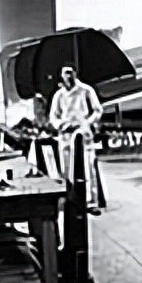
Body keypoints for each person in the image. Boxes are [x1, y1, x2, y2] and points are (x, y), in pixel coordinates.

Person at [49, 65, 103, 213]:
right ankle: (71, 200)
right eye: (65, 73)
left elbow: (97, 110)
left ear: (75, 73)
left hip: (82, 133)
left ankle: (91, 202)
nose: (68, 76)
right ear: (61, 75)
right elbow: (53, 116)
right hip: (66, 135)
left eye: (70, 72)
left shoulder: (86, 90)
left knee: (87, 168)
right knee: (67, 169)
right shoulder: (59, 95)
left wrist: (86, 123)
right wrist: (61, 125)